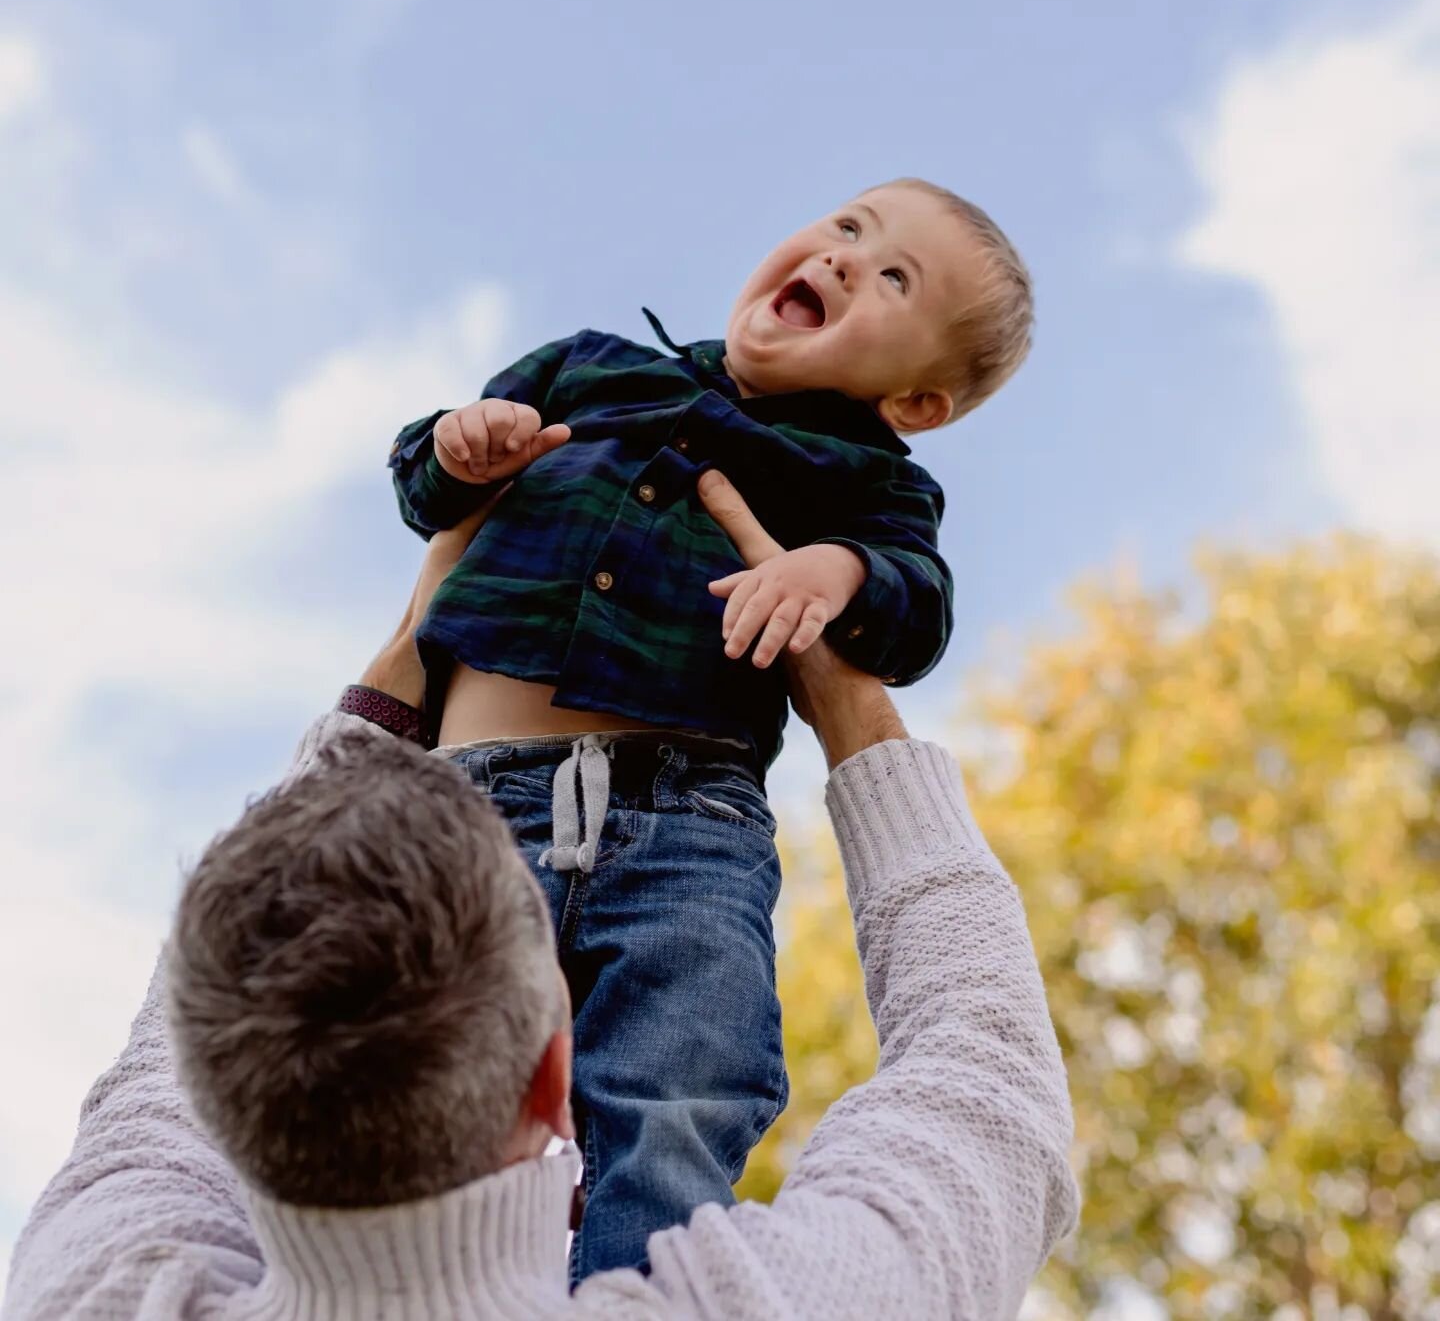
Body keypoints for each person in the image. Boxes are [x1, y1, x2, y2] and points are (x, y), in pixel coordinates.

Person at [4, 472, 1078, 1321]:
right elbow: (986, 1083)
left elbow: (157, 1092)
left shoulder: (95, 1287)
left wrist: (396, 672)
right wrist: (851, 712)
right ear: (551, 1077)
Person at [371, 176, 1034, 1272]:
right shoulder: (587, 366)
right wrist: (455, 446)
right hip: (467, 802)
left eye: (892, 278)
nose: (841, 262)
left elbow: (916, 607)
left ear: (917, 401)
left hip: (685, 825)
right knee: (413, 1069)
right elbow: (423, 482)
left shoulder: (871, 481)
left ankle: (640, 1294)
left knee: (681, 1083)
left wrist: (841, 568)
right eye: (847, 229)